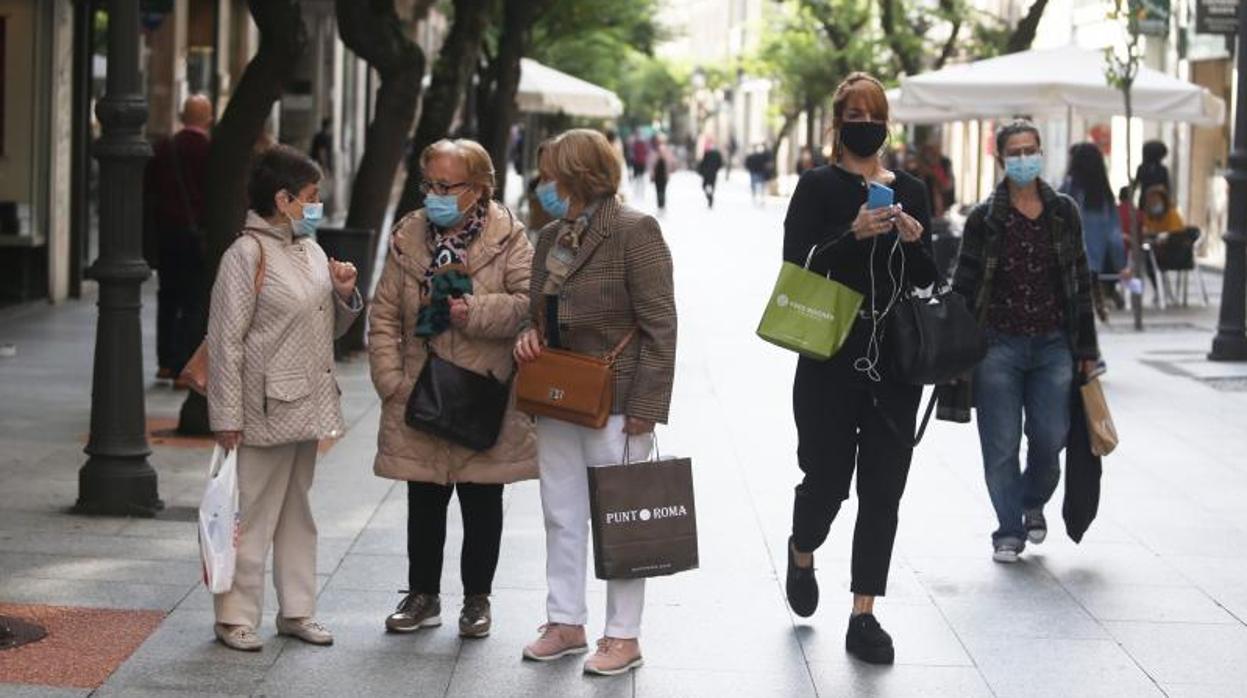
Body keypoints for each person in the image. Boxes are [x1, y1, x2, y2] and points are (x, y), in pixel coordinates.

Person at [782, 73, 937, 666]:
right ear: (838, 122)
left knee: (883, 490)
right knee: (825, 480)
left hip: (892, 358)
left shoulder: (913, 190)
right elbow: (795, 266)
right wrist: (853, 233)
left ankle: (863, 612)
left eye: (874, 113)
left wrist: (917, 240)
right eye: (854, 114)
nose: (865, 123)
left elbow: (926, 278)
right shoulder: (818, 187)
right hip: (829, 353)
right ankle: (803, 547)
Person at [515, 129, 676, 676]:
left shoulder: (635, 232)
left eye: (550, 174)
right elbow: (535, 312)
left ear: (578, 176)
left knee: (623, 519)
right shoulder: (552, 236)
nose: (544, 185)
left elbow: (660, 325)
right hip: (559, 392)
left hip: (619, 399)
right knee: (561, 514)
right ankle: (565, 622)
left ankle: (623, 636)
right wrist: (527, 335)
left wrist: (648, 405)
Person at [367, 139, 537, 639]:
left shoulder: (510, 237)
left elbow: (529, 305)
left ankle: (477, 600)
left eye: (447, 186)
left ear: (480, 187)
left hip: (483, 392)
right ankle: (422, 595)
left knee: (481, 501)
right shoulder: (408, 234)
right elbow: (382, 316)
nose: (435, 195)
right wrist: (390, 381)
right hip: (419, 390)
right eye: (430, 185)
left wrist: (474, 311)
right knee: (424, 499)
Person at [207, 144, 362, 651]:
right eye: (311, 197)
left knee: (298, 511)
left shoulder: (309, 249)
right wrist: (225, 416)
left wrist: (342, 294)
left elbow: (326, 328)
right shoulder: (245, 255)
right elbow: (226, 341)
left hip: (308, 401)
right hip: (262, 405)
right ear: (284, 198)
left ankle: (297, 610)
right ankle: (234, 615)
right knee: (250, 514)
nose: (317, 207)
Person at [952, 120, 1098, 564]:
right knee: (1000, 445)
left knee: (1051, 439)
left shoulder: (1064, 211)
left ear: (1040, 154)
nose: (1023, 159)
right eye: (1014, 152)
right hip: (997, 346)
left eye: (1030, 150)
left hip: (1054, 345)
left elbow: (1080, 282)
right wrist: (956, 350)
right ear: (1001, 159)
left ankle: (1030, 501)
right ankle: (1009, 529)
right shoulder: (983, 218)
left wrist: (1087, 352)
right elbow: (964, 286)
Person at [146, 94, 212, 383]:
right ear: (207, 119)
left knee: (168, 296)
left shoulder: (164, 148)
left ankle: (165, 361)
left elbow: (149, 192)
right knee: (194, 299)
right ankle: (184, 362)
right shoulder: (210, 151)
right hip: (197, 235)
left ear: (183, 117)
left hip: (167, 234)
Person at [1061, 143, 1127, 323]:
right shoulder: (1104, 197)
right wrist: (1121, 263)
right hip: (1093, 263)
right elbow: (1114, 235)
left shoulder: (1067, 189)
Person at [1140, 183, 1188, 302]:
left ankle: (1162, 291)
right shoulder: (1149, 217)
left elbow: (1176, 235)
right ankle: (1160, 290)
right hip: (1157, 253)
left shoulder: (1172, 215)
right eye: (1151, 202)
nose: (1153, 204)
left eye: (1156, 200)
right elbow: (1146, 233)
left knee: (1150, 259)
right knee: (1147, 259)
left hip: (1175, 254)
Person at [1134, 140, 1171, 209]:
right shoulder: (1142, 168)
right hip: (1146, 202)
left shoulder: (1162, 169)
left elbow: (1166, 188)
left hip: (1158, 203)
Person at [697, 139, 724, 208]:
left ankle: (709, 197)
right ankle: (710, 197)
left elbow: (702, 163)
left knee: (704, 186)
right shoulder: (717, 154)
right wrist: (716, 169)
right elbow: (720, 164)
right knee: (711, 186)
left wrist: (700, 171)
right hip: (713, 173)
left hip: (707, 173)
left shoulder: (707, 153)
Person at [650, 135, 673, 212]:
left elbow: (669, 164)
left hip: (661, 174)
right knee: (661, 190)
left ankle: (660, 204)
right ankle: (661, 204)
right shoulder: (663, 151)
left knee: (660, 190)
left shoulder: (656, 151)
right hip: (661, 174)